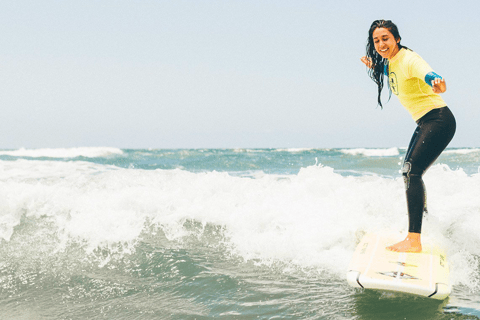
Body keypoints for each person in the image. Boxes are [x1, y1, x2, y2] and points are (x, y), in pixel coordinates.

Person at [361, 20, 456, 252]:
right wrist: (376, 66)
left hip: (438, 120)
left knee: (411, 172)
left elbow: (427, 73)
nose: (381, 44)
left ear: (397, 39)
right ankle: (425, 225)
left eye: (386, 38)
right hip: (426, 121)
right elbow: (391, 71)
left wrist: (436, 82)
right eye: (377, 41)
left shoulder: (409, 59)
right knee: (410, 173)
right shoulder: (392, 62)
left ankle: (414, 240)